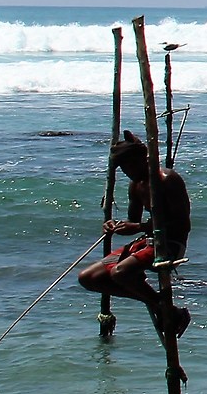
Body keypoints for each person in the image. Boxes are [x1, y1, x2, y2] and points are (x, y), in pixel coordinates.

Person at [77, 131, 194, 338]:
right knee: (88, 278)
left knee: (119, 273)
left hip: (170, 244)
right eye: (123, 169)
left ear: (143, 159)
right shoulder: (136, 185)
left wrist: (139, 227)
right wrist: (115, 226)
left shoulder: (167, 180)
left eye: (130, 166)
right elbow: (133, 220)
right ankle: (161, 304)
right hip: (147, 241)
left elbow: (182, 223)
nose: (128, 172)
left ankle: (164, 308)